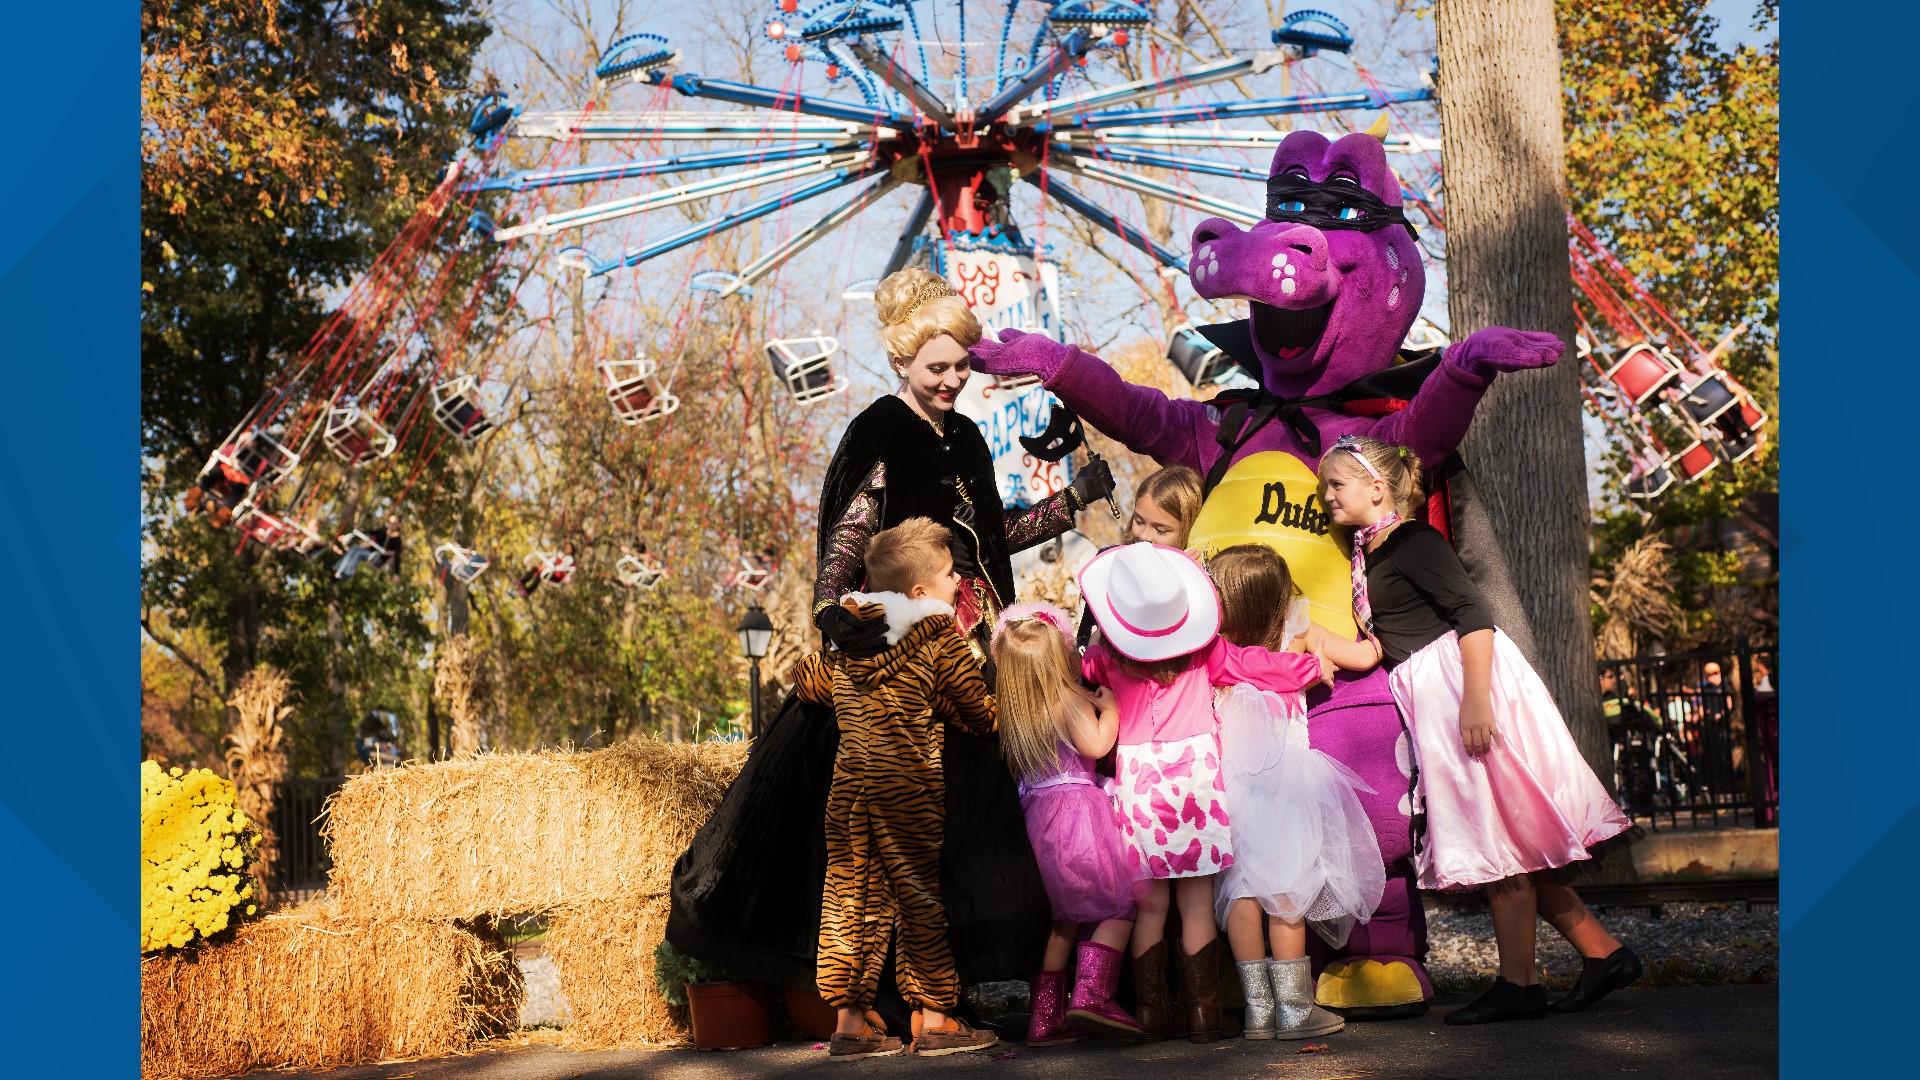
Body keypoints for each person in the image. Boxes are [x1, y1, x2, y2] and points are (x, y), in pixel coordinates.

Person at [666, 266, 1115, 1040]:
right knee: (880, 856)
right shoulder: (877, 434)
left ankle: (938, 1002)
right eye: (936, 367)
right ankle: (887, 1006)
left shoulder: (968, 436)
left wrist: (1068, 504)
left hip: (969, 648)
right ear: (902, 363)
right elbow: (849, 531)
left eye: (961, 366)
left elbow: (986, 538)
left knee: (952, 841)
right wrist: (830, 611)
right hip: (897, 656)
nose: (951, 380)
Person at [1319, 434, 1642, 1025]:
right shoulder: (1368, 553)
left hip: (1460, 685)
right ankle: (1605, 953)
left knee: (1494, 830)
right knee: (1508, 834)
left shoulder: (1413, 541)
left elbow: (1474, 614)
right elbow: (1377, 649)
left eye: (1337, 483)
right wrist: (1314, 638)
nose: (1327, 494)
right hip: (1427, 687)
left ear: (1377, 486)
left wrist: (1474, 703)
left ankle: (1518, 984)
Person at [1078, 542, 1322, 1043]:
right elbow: (1260, 667)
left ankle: (1150, 1013)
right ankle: (1205, 1016)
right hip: (1195, 783)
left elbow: (1085, 672)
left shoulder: (1106, 660)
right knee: (1195, 905)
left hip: (1139, 783)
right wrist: (1310, 668)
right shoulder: (1205, 651)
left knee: (1151, 907)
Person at [788, 518, 1000, 1060]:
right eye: (953, 574)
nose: (961, 584)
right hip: (908, 789)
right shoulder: (939, 640)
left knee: (851, 899)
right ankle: (935, 1019)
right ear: (921, 592)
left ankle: (850, 1024)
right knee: (918, 901)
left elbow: (808, 681)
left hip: (853, 791)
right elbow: (981, 714)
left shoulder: (851, 641)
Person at [1205, 544, 1385, 1040]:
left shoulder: (1212, 652)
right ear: (1280, 598)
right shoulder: (1298, 632)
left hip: (1233, 787)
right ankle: (1295, 1010)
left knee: (1241, 893)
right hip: (1289, 781)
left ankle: (1258, 1012)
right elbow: (1366, 654)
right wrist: (1370, 612)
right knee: (1288, 891)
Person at [989, 602, 1146, 1046]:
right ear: (1059, 658)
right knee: (1120, 908)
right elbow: (1096, 745)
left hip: (1037, 821)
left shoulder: (1017, 714)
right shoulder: (1067, 700)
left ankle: (1044, 1021)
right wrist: (1110, 707)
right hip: (1078, 818)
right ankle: (1093, 995)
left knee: (1063, 922)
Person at [1078, 465, 1205, 648]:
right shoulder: (1108, 565)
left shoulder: (1198, 584)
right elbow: (1086, 640)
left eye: (1160, 530)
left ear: (1189, 529)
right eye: (1139, 521)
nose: (1144, 535)